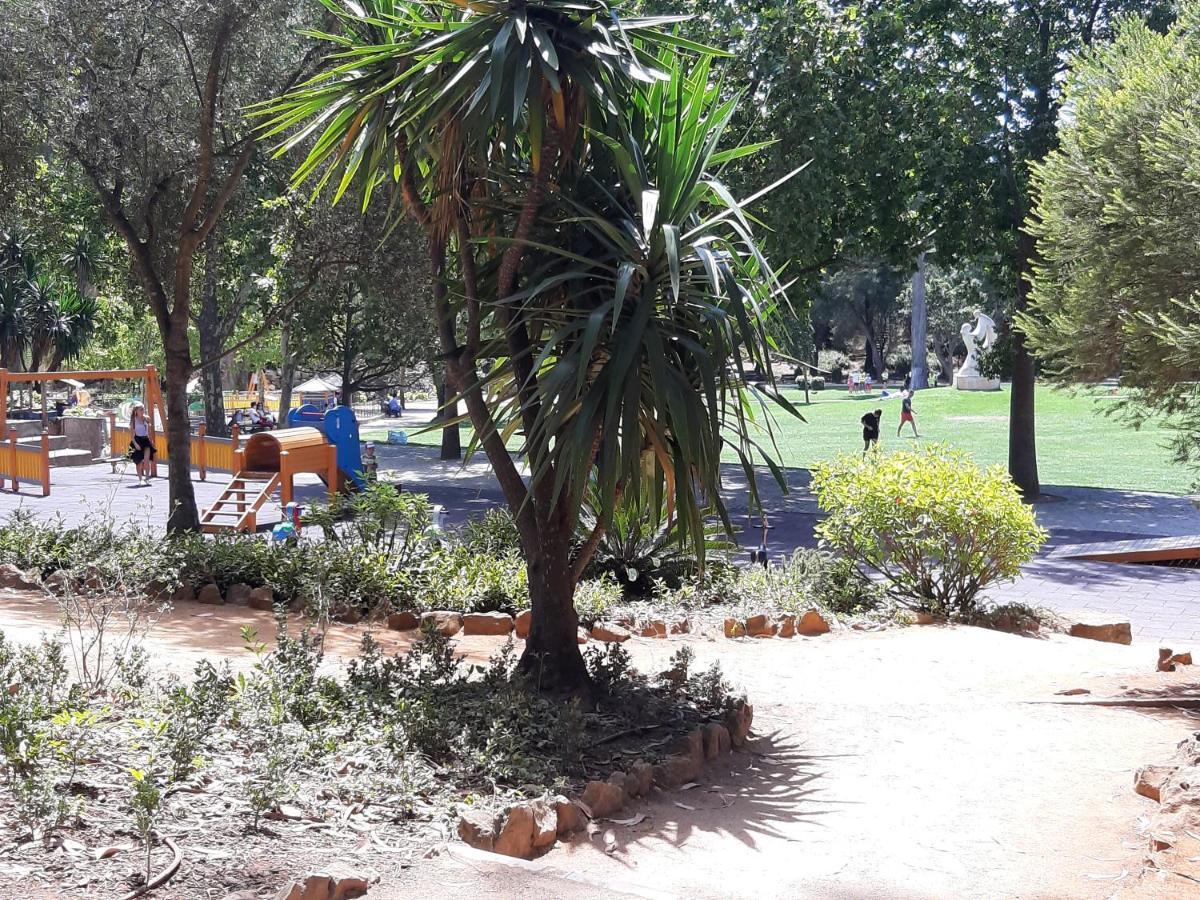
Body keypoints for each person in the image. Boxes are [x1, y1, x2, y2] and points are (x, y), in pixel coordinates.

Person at [129, 402, 156, 485]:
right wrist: (136, 444)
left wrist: (151, 440)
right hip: (137, 440)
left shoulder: (146, 418)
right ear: (136, 411)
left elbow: (150, 430)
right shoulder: (133, 420)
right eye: (141, 409)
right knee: (139, 461)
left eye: (143, 409)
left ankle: (147, 478)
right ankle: (140, 479)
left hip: (145, 439)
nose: (142, 411)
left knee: (147, 460)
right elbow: (132, 435)